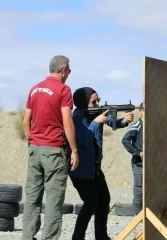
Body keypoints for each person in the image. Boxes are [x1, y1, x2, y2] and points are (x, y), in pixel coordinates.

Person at [21, 55, 79, 240]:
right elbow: (67, 122)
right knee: (54, 199)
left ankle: (28, 237)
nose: (69, 74)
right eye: (69, 71)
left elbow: (25, 123)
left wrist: (34, 142)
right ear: (63, 70)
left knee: (32, 196)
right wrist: (74, 150)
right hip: (54, 150)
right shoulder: (63, 90)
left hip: (35, 149)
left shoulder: (34, 89)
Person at [68, 87, 134, 240]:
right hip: (80, 170)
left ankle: (101, 236)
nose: (97, 104)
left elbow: (111, 121)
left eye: (98, 100)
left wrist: (124, 120)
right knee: (90, 202)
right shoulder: (77, 118)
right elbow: (84, 139)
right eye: (94, 102)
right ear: (83, 102)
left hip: (93, 168)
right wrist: (96, 123)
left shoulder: (95, 113)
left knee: (104, 199)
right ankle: (77, 237)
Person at [121, 102, 144, 215]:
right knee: (139, 190)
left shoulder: (154, 126)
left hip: (152, 165)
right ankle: (138, 215)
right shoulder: (137, 126)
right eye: (144, 110)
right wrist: (137, 153)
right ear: (140, 111)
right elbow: (125, 140)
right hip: (139, 163)